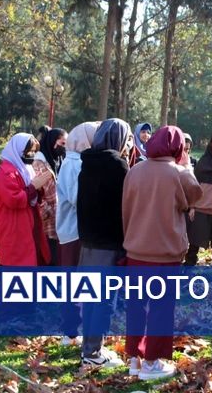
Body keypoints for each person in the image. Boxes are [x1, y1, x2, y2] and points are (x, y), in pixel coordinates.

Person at [122, 125, 202, 380]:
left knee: (136, 305)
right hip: (165, 251)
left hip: (136, 247)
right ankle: (151, 361)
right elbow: (195, 196)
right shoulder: (178, 173)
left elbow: (125, 209)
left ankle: (135, 357)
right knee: (160, 307)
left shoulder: (134, 171)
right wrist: (187, 166)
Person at [77, 118, 132, 368]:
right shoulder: (117, 165)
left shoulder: (87, 163)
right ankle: (93, 353)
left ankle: (88, 346)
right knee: (104, 300)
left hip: (88, 239)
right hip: (108, 241)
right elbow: (125, 205)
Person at [55, 121, 99, 345]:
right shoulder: (74, 163)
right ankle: (71, 331)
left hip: (76, 229)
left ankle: (73, 328)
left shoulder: (77, 160)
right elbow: (77, 198)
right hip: (74, 231)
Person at [0, 133, 52, 266]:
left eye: (34, 151)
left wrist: (39, 187)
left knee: (33, 258)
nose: (31, 155)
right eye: (29, 152)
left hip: (28, 222)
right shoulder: (6, 172)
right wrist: (34, 186)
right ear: (18, 151)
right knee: (16, 262)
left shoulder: (26, 169)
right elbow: (14, 200)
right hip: (13, 226)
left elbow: (35, 195)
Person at [184, 131, 212, 266]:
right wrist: (192, 206)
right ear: (211, 143)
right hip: (201, 208)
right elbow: (195, 186)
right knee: (194, 243)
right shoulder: (203, 162)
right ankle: (189, 265)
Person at [33, 127, 68, 265]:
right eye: (62, 144)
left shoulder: (58, 160)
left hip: (57, 220)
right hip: (46, 222)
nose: (64, 148)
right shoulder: (39, 163)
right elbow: (36, 194)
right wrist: (48, 212)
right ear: (53, 142)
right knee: (47, 258)